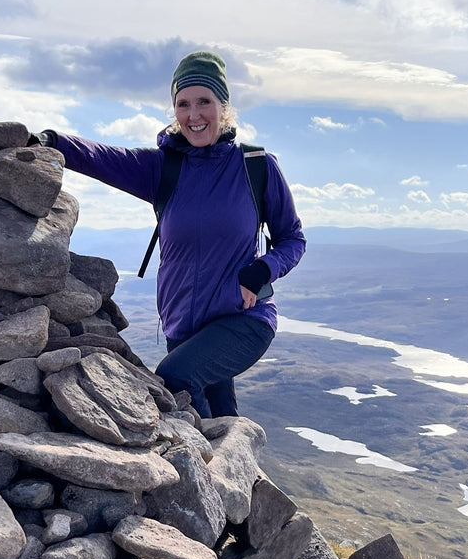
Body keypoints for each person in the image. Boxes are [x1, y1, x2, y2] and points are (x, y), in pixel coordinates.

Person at [36, 50, 306, 418]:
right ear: (174, 111)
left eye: (204, 102)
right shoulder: (162, 168)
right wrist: (51, 140)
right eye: (183, 104)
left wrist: (264, 268)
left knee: (174, 378)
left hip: (243, 319)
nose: (194, 115)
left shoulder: (256, 167)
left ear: (223, 106)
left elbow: (292, 238)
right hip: (182, 326)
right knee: (217, 425)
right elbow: (100, 157)